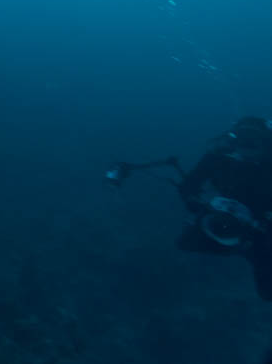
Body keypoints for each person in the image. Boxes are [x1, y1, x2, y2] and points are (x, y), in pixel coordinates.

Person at [108, 116, 272, 301]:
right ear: (233, 139)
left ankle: (249, 249)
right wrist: (199, 205)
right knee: (187, 242)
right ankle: (241, 247)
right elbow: (189, 185)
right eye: (242, 138)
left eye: (253, 140)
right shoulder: (218, 157)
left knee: (267, 289)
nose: (247, 145)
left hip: (262, 223)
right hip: (222, 215)